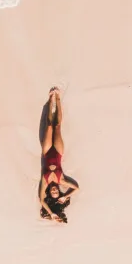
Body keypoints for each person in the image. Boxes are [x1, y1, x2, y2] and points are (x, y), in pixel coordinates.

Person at [39, 87, 79, 222]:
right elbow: (76, 188)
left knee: (49, 125)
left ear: (50, 193)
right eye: (57, 193)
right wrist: (66, 196)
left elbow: (41, 200)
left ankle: (51, 98)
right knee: (57, 126)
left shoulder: (45, 182)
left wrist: (51, 214)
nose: (55, 191)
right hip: (58, 152)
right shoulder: (61, 180)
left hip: (46, 152)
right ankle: (58, 98)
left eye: (53, 193)